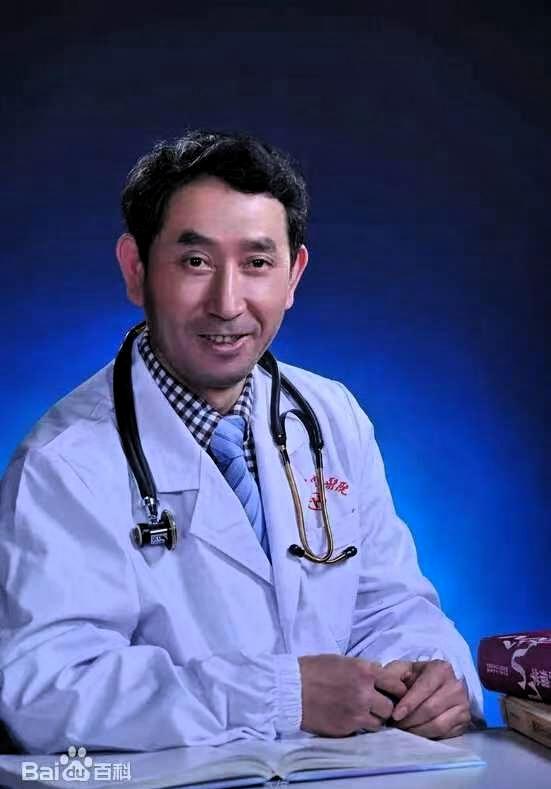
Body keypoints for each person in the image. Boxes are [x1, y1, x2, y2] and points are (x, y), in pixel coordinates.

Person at [0, 130, 483, 754]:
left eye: (257, 263)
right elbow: (44, 693)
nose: (227, 304)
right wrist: (280, 695)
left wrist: (432, 674)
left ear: (293, 275)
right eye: (195, 262)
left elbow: (389, 607)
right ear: (135, 269)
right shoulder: (62, 464)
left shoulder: (332, 416)